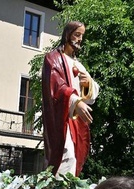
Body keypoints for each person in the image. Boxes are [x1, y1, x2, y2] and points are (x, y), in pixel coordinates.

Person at [42, 21, 100, 176]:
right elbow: (56, 86)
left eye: (82, 35)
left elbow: (91, 95)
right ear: (67, 34)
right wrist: (76, 102)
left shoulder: (78, 64)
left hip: (74, 121)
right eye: (77, 34)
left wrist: (87, 84)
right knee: (65, 155)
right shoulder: (53, 58)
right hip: (60, 119)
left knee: (74, 156)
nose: (80, 39)